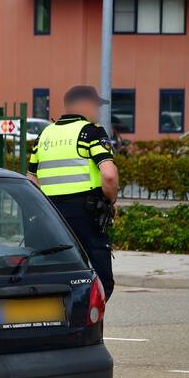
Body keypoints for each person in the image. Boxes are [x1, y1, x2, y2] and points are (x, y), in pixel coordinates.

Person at [27, 85, 119, 298]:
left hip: (50, 219)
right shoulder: (91, 132)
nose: (98, 111)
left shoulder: (45, 135)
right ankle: (84, 324)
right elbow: (109, 175)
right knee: (101, 282)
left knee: (57, 278)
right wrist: (111, 201)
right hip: (86, 216)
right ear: (85, 105)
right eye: (96, 106)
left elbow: (31, 179)